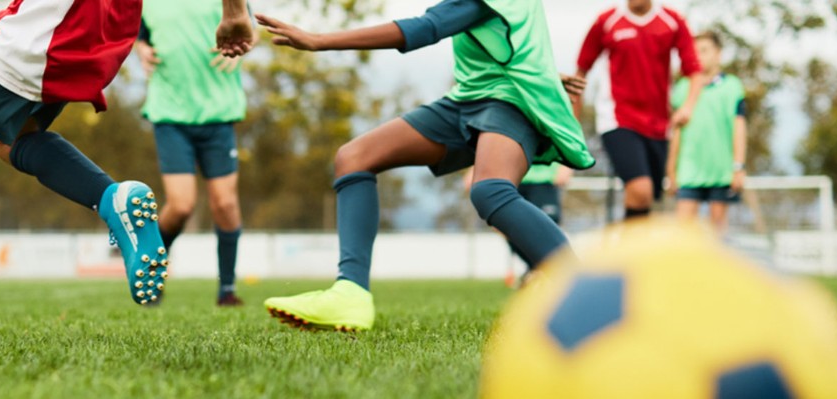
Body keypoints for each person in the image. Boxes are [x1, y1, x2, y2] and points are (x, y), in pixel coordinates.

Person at [0, 0, 255, 346]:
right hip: (106, 24)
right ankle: (111, 200)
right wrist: (236, 11)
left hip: (59, 16)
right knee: (9, 139)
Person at [255, 0, 595, 332]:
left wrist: (318, 40)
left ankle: (586, 295)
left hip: (509, 103)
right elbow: (513, 39)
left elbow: (425, 28)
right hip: (466, 98)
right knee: (354, 157)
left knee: (490, 190)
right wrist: (546, 74)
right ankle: (351, 293)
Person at [134, 0, 255, 307]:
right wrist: (141, 49)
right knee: (181, 205)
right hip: (170, 113)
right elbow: (137, 34)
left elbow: (248, 27)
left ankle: (226, 290)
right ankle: (151, 273)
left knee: (226, 203)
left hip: (219, 112)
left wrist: (245, 44)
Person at [577, 0, 704, 220]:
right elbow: (580, 72)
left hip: (657, 126)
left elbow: (694, 71)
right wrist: (572, 124)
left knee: (647, 199)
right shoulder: (607, 21)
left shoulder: (672, 21)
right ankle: (629, 254)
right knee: (639, 188)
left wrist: (688, 107)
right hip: (617, 120)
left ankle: (632, 248)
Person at [666, 32, 747, 232]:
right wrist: (670, 170)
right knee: (684, 235)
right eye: (695, 52)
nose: (699, 56)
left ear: (718, 54)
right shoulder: (683, 87)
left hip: (721, 173)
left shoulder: (732, 86)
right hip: (688, 172)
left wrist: (738, 167)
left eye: (704, 50)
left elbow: (739, 129)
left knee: (717, 236)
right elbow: (676, 132)